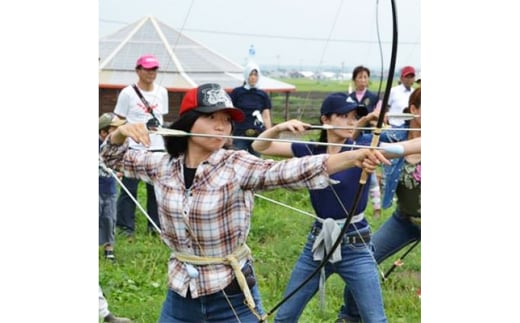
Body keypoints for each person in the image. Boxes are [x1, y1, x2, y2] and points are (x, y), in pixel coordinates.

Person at [100, 83, 403, 323]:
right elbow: (112, 157)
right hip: (181, 295)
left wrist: (352, 156)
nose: (222, 126)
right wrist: (118, 134)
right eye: (212, 117)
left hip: (231, 297)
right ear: (189, 122)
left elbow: (287, 171)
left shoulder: (236, 164)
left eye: (226, 120)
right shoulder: (163, 166)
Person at [251, 92, 421, 323]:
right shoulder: (311, 150)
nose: (351, 121)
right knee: (285, 317)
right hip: (318, 243)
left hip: (356, 244)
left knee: (375, 319)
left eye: (354, 117)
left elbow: (411, 145)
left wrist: (397, 149)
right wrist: (279, 127)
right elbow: (261, 146)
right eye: (343, 116)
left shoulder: (363, 147)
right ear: (325, 119)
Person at [337, 87, 422, 323]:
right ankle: (349, 317)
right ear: (413, 110)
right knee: (363, 263)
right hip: (404, 220)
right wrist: (366, 121)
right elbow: (355, 141)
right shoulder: (396, 136)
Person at [113, 54, 169, 237]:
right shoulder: (127, 93)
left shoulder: (162, 92)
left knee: (156, 190)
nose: (151, 73)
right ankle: (125, 227)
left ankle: (155, 227)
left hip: (157, 148)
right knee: (129, 189)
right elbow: (119, 120)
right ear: (138, 70)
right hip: (134, 148)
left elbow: (162, 117)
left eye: (154, 69)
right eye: (147, 69)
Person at [348, 65, 383, 218]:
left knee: (370, 169)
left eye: (365, 77)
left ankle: (376, 205)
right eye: (360, 77)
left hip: (368, 137)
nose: (363, 80)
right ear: (354, 79)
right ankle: (352, 203)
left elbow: (379, 116)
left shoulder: (374, 97)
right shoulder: (348, 98)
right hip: (351, 137)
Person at [230, 62, 272, 156]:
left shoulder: (263, 94)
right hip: (240, 133)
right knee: (237, 158)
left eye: (255, 75)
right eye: (251, 74)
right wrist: (229, 132)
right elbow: (231, 113)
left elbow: (266, 116)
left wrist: (269, 133)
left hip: (257, 133)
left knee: (257, 161)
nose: (253, 77)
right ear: (246, 75)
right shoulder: (237, 92)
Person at [99, 112, 126, 260]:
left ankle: (109, 248)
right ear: (103, 132)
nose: (118, 132)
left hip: (109, 189)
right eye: (114, 129)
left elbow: (119, 164)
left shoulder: (117, 147)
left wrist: (119, 171)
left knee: (109, 218)